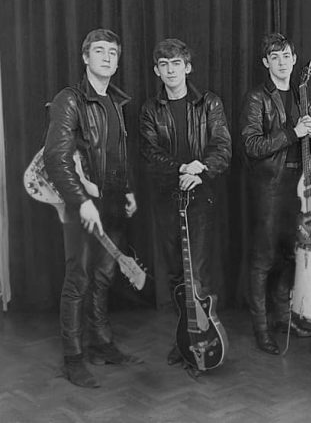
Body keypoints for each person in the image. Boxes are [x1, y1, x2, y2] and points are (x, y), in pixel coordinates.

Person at [44, 28, 141, 389]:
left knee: (103, 276)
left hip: (113, 201)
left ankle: (101, 345)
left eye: (112, 53)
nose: (106, 57)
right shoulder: (69, 100)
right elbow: (57, 158)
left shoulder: (116, 101)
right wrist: (81, 202)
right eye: (98, 51)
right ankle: (73, 358)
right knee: (79, 278)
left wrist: (127, 191)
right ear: (85, 58)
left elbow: (117, 153)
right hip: (82, 204)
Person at [139, 38, 232, 367]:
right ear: (157, 71)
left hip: (201, 196)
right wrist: (181, 168)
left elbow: (222, 145)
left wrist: (201, 169)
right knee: (176, 275)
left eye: (176, 64)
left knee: (200, 273)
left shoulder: (209, 104)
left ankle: (204, 336)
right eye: (163, 65)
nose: (170, 70)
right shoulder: (151, 109)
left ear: (187, 67)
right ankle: (185, 336)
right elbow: (150, 154)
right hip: (167, 199)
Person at [240, 32, 311, 355]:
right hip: (269, 188)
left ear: (294, 59)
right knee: (263, 260)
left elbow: (306, 145)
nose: (282, 62)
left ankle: (283, 319)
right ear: (266, 63)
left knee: (290, 254)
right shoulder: (257, 97)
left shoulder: (301, 96)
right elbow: (251, 145)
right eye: (275, 57)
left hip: (298, 187)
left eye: (287, 56)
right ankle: (261, 328)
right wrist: (293, 132)